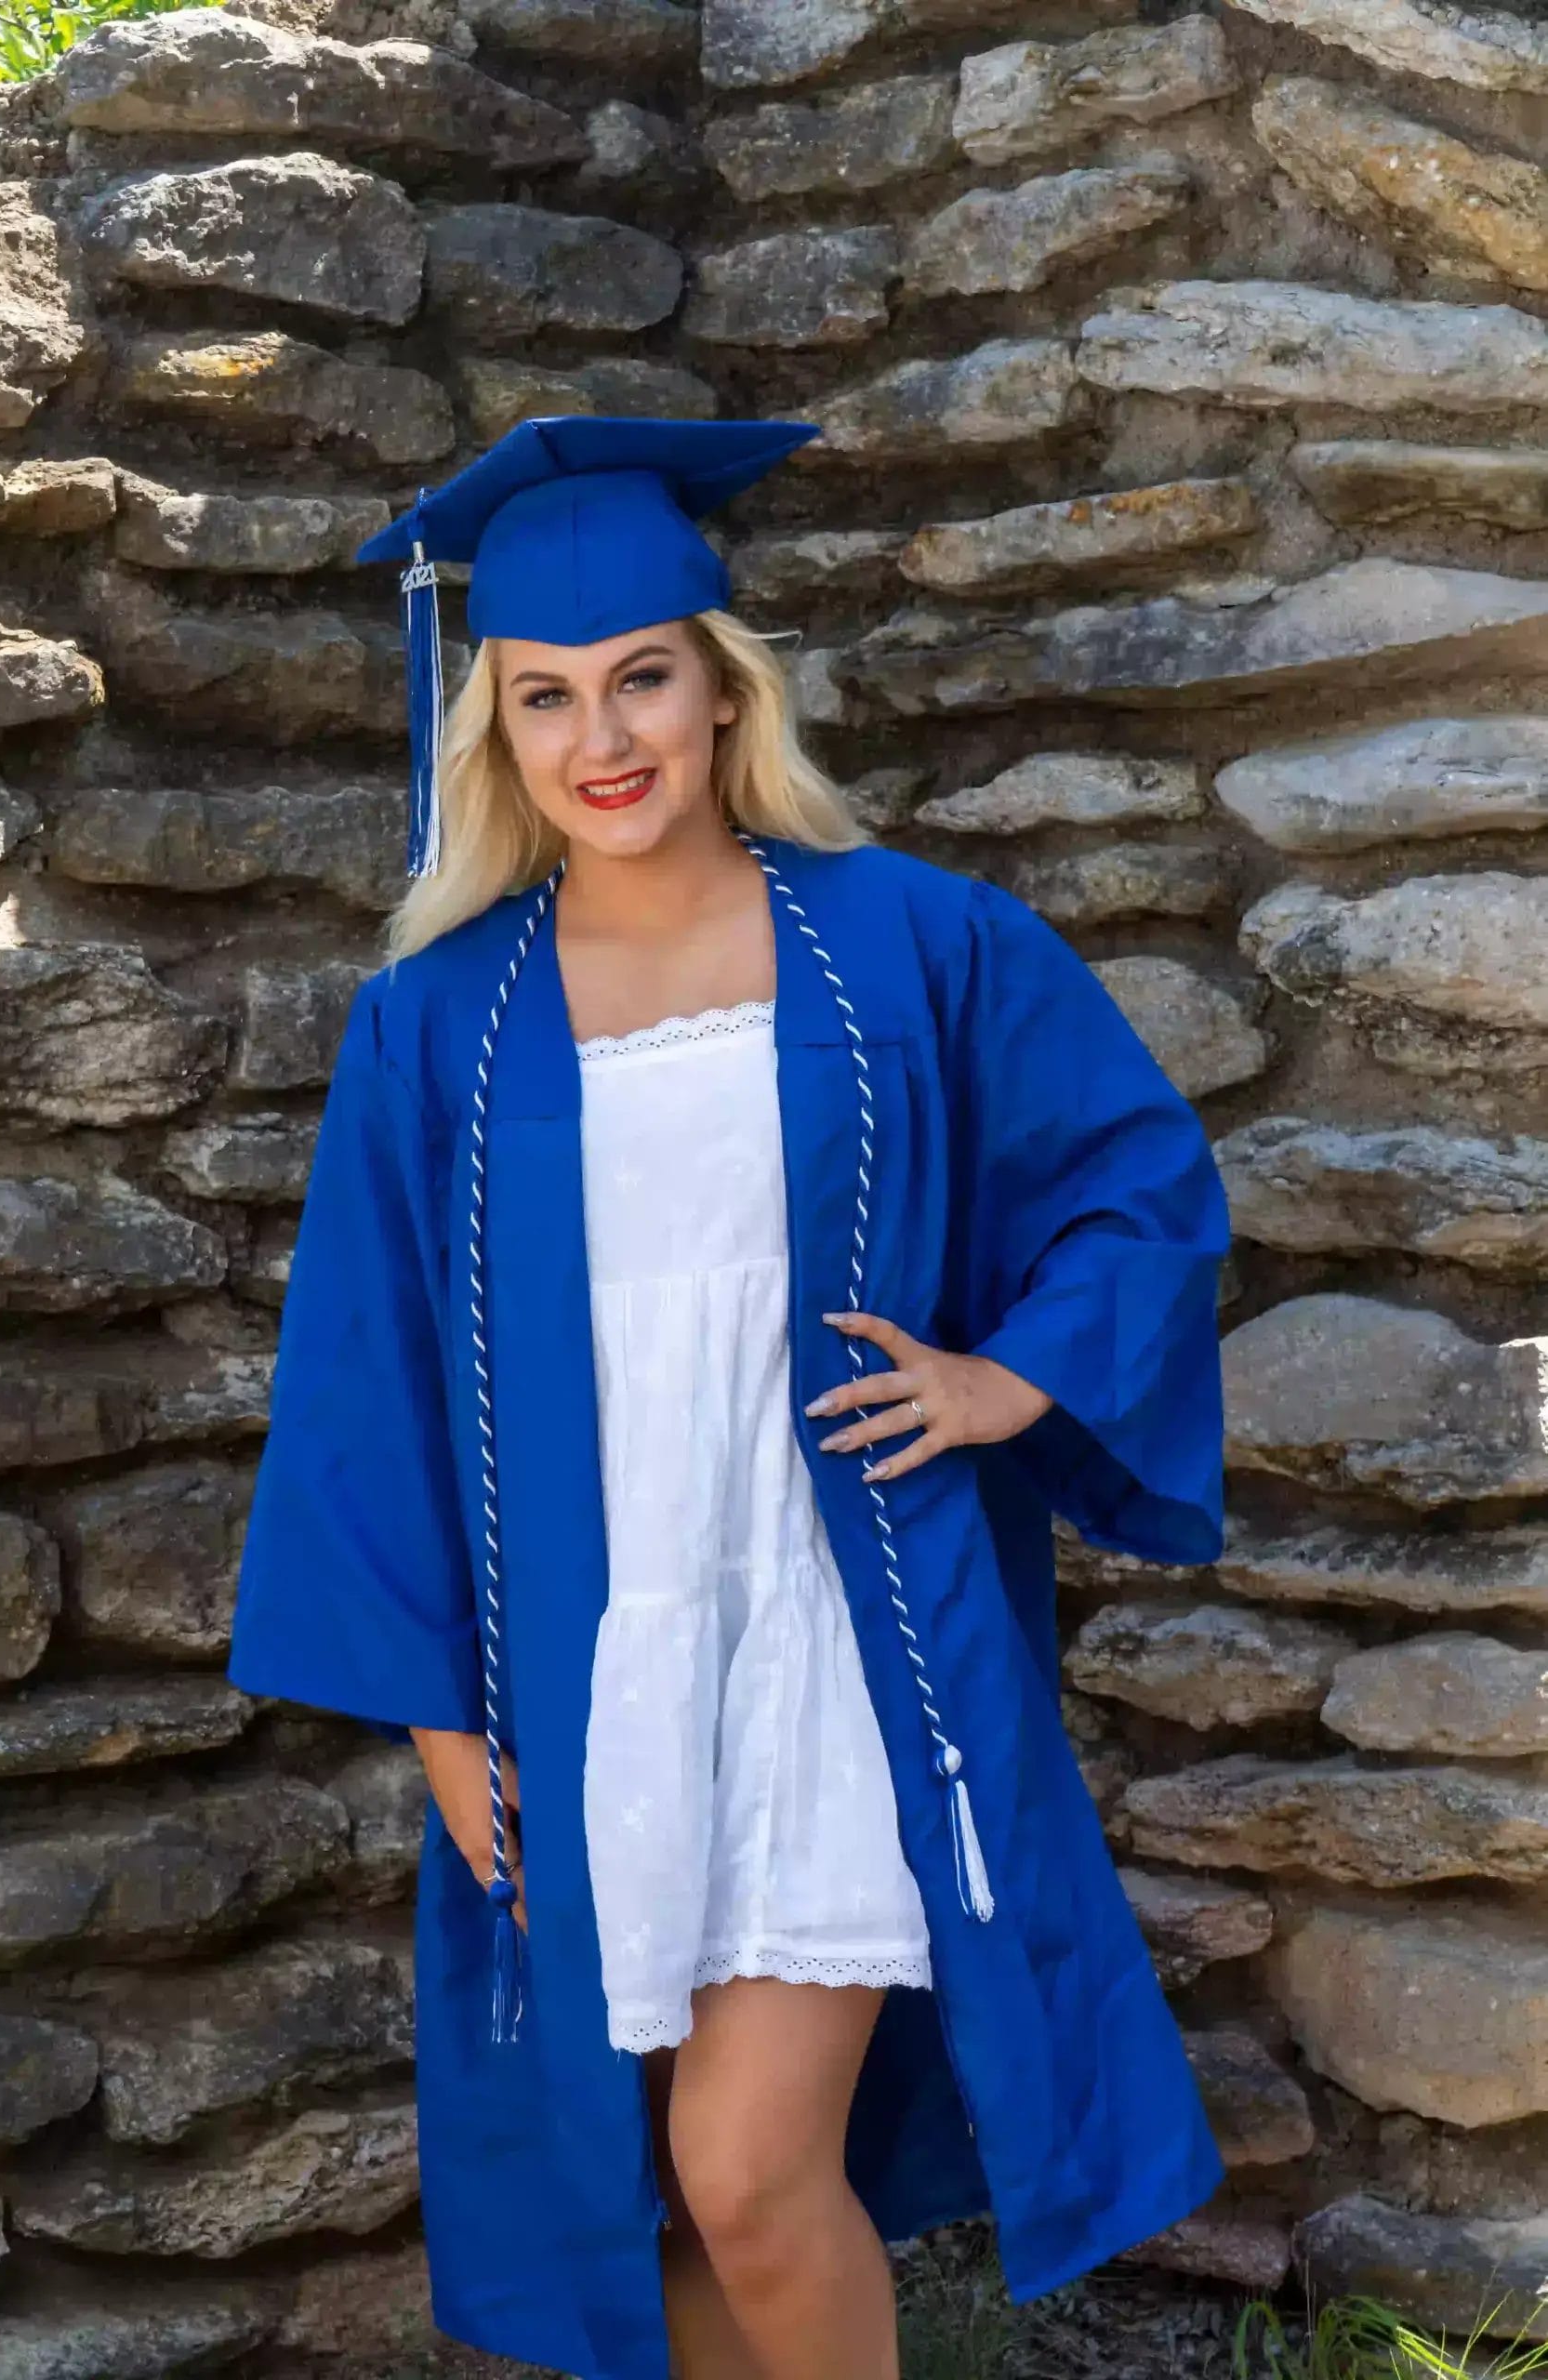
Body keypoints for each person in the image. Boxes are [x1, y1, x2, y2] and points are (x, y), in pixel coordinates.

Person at [227, 415, 1232, 2380]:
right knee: (662, 2197)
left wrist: (999, 1376)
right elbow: (373, 1381)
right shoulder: (440, 1022)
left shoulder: (903, 941)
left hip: (840, 1632)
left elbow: (1138, 1184)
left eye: (639, 680)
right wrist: (443, 1721)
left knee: (750, 2163)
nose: (599, 739)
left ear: (718, 682)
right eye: (542, 699)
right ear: (491, 730)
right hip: (587, 1670)